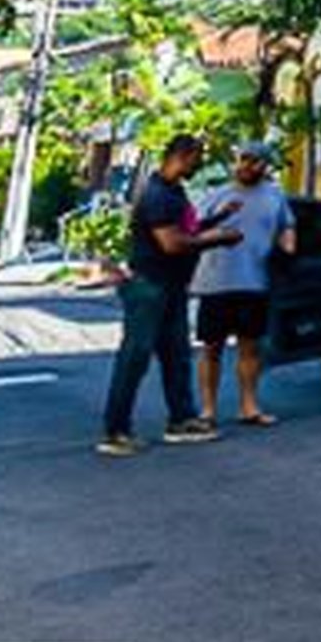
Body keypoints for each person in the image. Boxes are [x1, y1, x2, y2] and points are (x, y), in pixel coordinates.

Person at [98, 135, 223, 456]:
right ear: (183, 156)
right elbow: (173, 243)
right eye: (198, 159)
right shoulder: (157, 196)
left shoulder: (173, 192)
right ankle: (116, 430)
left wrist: (217, 221)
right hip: (149, 286)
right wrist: (217, 239)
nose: (200, 165)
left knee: (177, 354)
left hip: (171, 286)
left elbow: (188, 230)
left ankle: (181, 419)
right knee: (135, 357)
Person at [192, 144, 297, 428]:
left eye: (254, 161)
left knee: (250, 347)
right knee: (211, 347)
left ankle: (248, 406)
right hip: (216, 281)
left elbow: (287, 224)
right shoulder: (216, 195)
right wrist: (218, 231)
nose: (247, 166)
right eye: (243, 160)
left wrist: (288, 246)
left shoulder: (275, 196)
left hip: (255, 281)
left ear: (265, 165)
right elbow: (193, 230)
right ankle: (208, 409)